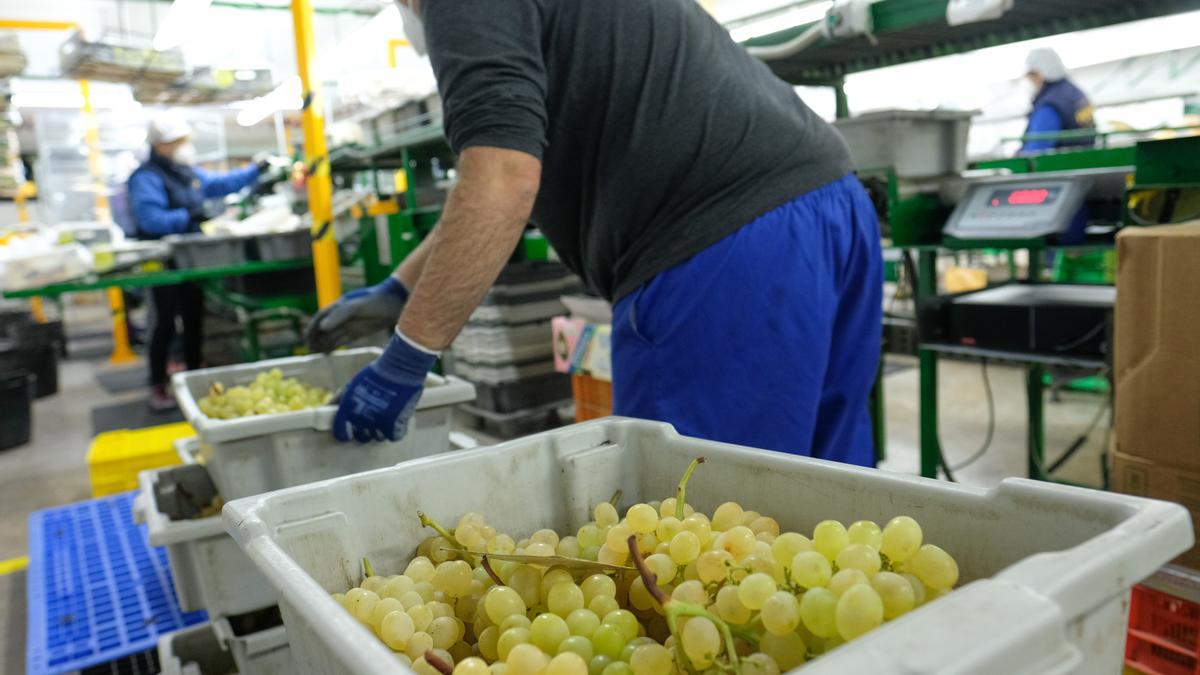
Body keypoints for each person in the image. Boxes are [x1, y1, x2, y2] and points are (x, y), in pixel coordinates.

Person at [306, 0, 882, 466]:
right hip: (829, 205)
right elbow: (502, 178)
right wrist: (401, 289)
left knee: (696, 531)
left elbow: (503, 179)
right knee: (829, 506)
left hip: (722, 250)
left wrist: (407, 358)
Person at [128, 112, 270, 411]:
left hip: (191, 258)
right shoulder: (147, 177)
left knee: (194, 318)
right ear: (162, 145)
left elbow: (218, 184)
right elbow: (151, 220)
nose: (184, 146)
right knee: (164, 322)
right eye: (178, 141)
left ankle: (194, 377)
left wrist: (255, 170)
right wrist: (189, 216)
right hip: (162, 261)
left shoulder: (185, 171)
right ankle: (158, 385)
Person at [1020, 48, 1096, 154]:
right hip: (1087, 158)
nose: (1031, 81)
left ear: (1042, 73)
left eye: (1032, 75)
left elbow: (1036, 149)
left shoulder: (1050, 104)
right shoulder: (1075, 93)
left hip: (1065, 165)